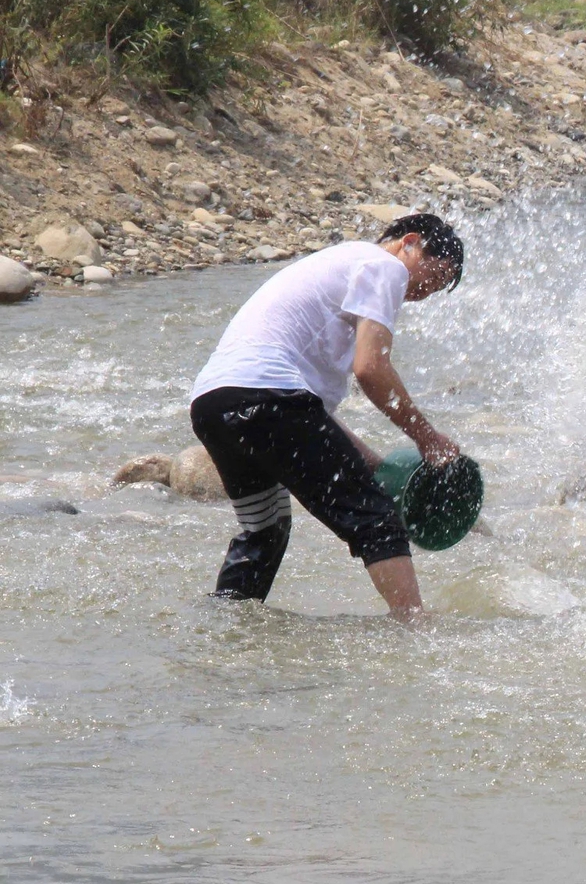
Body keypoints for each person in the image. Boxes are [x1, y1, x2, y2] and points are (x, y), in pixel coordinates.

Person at [187, 215, 466, 622]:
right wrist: (427, 438)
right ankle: (416, 627)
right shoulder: (383, 266)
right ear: (409, 242)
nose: (423, 292)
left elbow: (312, 422)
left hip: (215, 404)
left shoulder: (341, 265)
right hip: (269, 398)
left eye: (436, 289)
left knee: (265, 531)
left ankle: (223, 627)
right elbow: (371, 370)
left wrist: (375, 466)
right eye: (433, 275)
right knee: (377, 521)